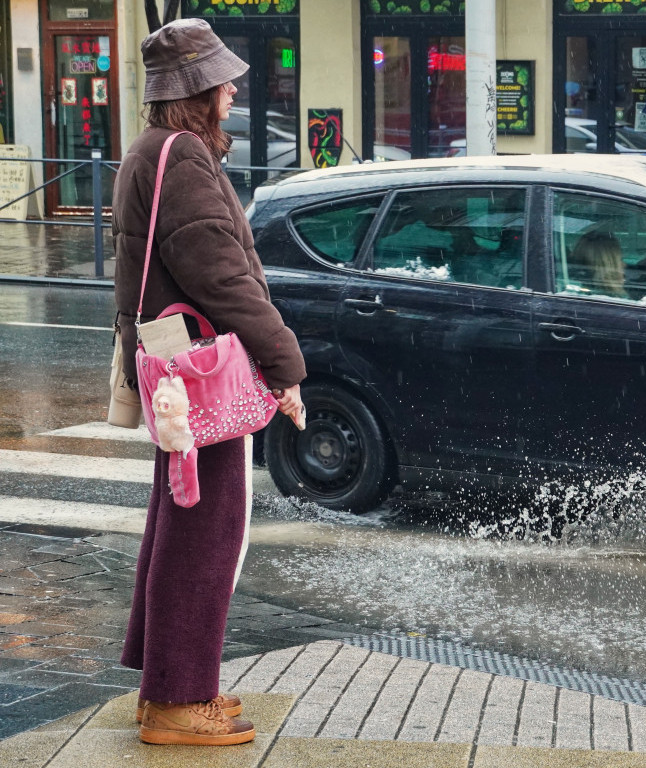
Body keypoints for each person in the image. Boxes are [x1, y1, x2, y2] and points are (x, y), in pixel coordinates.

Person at [111, 18, 306, 747]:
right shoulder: (184, 158)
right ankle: (176, 702)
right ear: (194, 88)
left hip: (171, 368)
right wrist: (284, 362)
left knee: (177, 523)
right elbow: (222, 277)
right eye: (221, 79)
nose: (232, 88)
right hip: (199, 373)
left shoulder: (149, 150)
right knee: (203, 531)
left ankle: (170, 686)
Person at [568, 230, 626, 297]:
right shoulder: (613, 301)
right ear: (609, 266)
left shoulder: (572, 291)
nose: (624, 264)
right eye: (620, 259)